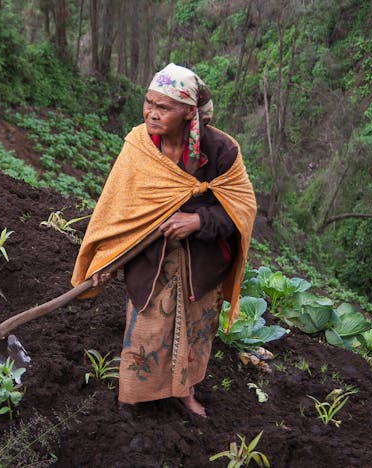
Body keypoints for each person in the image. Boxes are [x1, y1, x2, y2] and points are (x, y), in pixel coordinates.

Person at [71, 63, 257, 417]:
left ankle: (185, 392)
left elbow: (241, 212)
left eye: (163, 107)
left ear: (189, 113)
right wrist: (106, 261)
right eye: (148, 103)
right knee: (146, 331)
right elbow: (120, 211)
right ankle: (134, 400)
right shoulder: (140, 146)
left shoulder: (221, 151)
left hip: (201, 265)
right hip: (149, 261)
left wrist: (198, 219)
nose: (151, 114)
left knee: (195, 335)